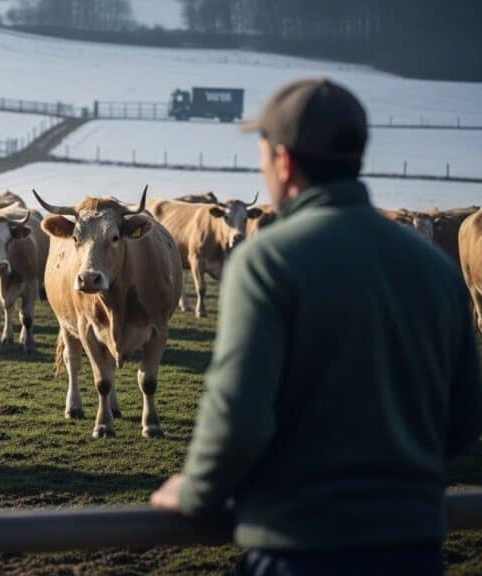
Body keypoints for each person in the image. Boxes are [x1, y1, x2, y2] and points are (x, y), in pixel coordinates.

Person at [150, 78, 482, 574]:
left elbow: (237, 416)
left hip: (300, 543)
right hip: (414, 547)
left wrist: (197, 490)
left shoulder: (268, 262)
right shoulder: (434, 266)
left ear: (283, 162)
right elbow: (464, 420)